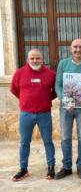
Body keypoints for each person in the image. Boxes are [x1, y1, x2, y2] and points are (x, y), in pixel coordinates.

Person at [10, 49, 56, 181]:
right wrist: (25, 99)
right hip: (26, 114)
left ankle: (51, 166)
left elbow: (55, 91)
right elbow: (13, 89)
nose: (35, 61)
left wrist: (46, 99)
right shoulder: (19, 73)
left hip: (44, 113)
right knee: (24, 142)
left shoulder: (50, 74)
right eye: (32, 58)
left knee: (48, 141)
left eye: (37, 58)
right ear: (27, 59)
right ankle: (23, 169)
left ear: (42, 59)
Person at [54, 38, 81, 180]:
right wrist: (64, 99)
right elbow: (58, 84)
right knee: (65, 137)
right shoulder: (63, 64)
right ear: (71, 49)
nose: (78, 50)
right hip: (67, 106)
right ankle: (66, 167)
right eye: (75, 47)